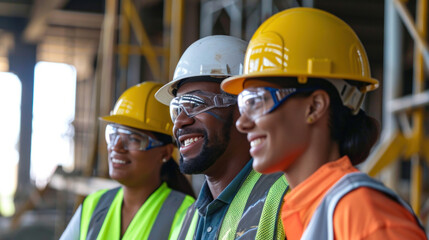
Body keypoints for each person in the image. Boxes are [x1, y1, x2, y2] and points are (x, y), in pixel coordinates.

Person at [221, 7, 427, 240]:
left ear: (315, 106)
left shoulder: (363, 214)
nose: (243, 123)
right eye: (243, 104)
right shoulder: (305, 210)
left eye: (257, 101)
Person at [155, 35, 288, 239]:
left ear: (245, 109)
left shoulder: (285, 198)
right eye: (177, 109)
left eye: (196, 104)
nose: (180, 121)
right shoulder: (188, 221)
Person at [60, 81, 195, 240]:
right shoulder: (93, 206)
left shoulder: (185, 213)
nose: (116, 146)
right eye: (113, 134)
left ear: (165, 153)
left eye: (133, 139)